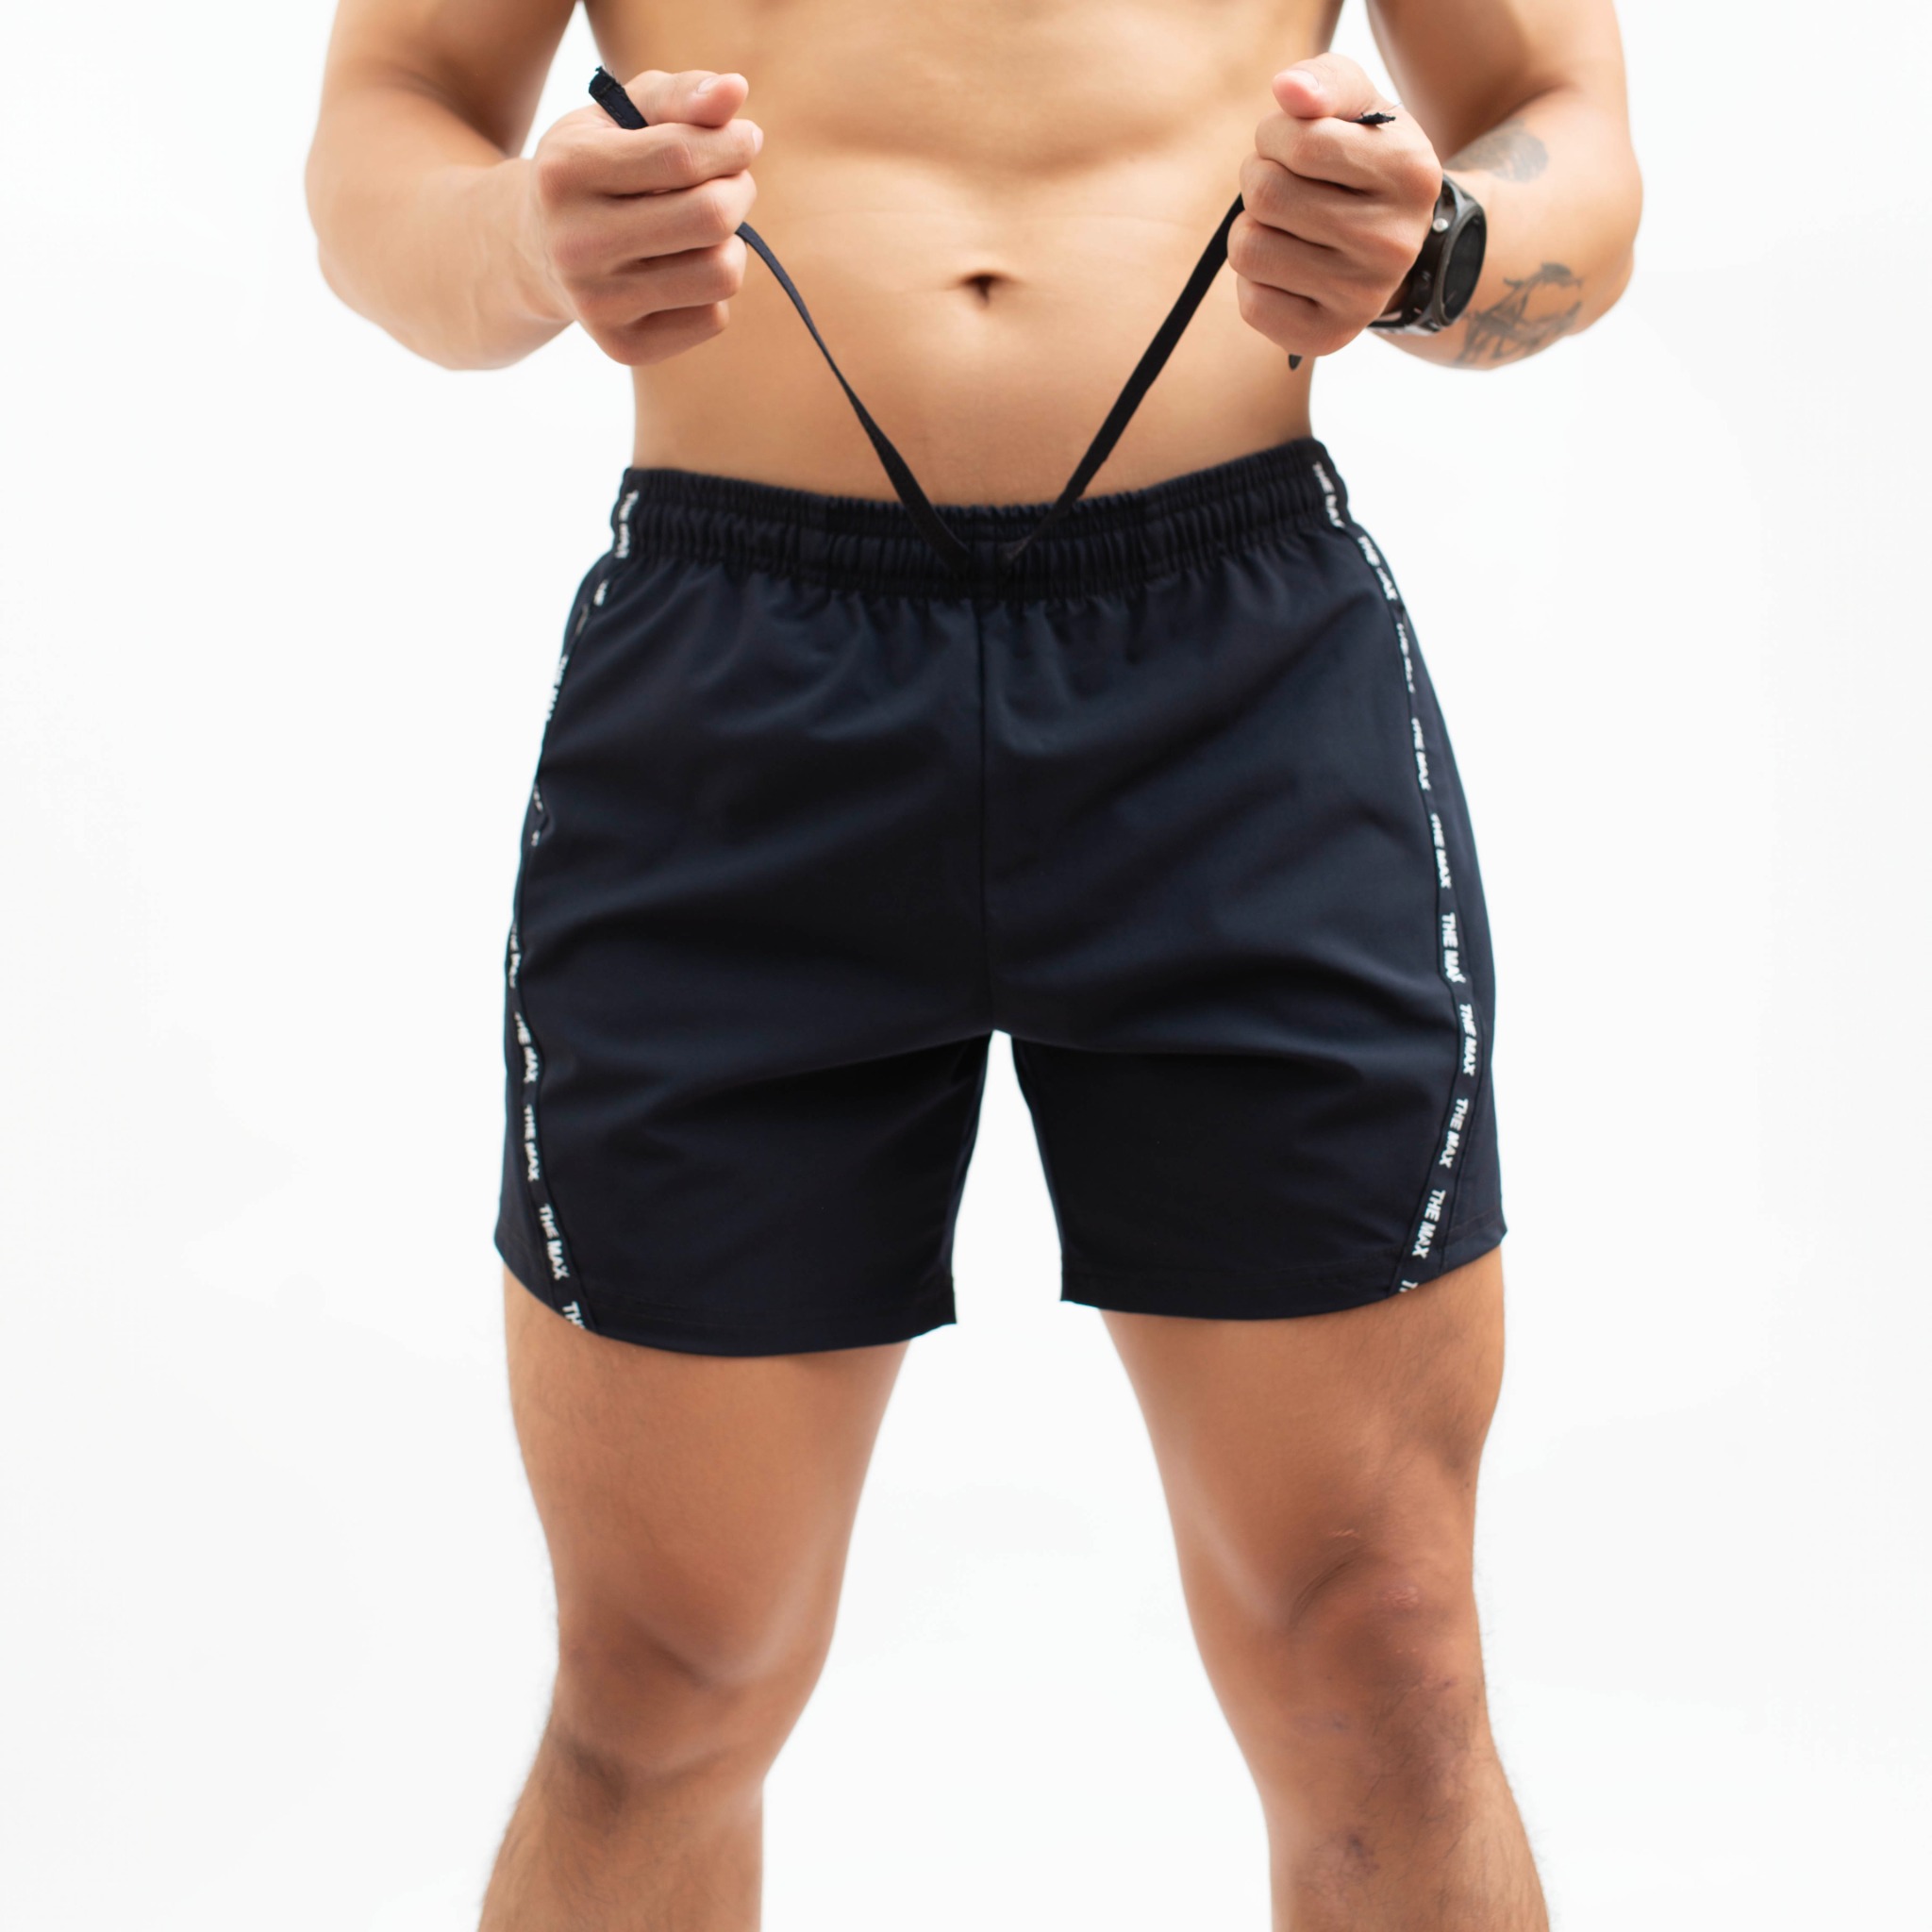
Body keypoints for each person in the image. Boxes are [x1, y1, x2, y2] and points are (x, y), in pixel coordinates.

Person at [307, 0, 1639, 1921]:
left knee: (1386, 1667)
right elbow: (384, 127)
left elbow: (1562, 123)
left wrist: (1437, 249)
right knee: (662, 1687)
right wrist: (525, 235)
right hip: (740, 698)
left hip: (1235, 699)